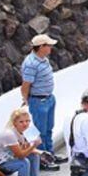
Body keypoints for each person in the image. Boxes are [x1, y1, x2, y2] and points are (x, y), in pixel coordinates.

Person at [20, 34, 61, 167]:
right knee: (40, 132)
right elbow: (26, 85)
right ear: (41, 47)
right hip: (38, 101)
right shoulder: (31, 64)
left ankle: (50, 154)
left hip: (49, 98)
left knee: (49, 128)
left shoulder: (43, 59)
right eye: (48, 45)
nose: (51, 48)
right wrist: (25, 100)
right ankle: (44, 160)